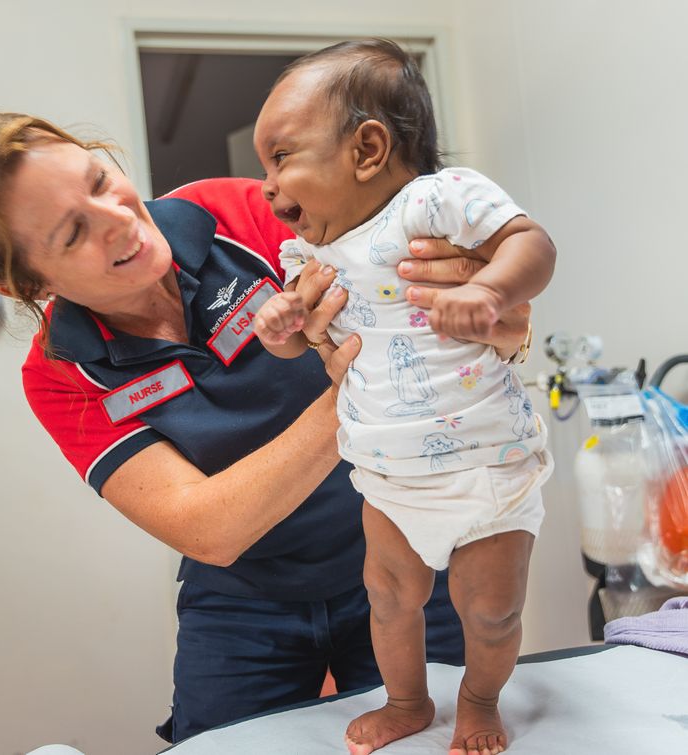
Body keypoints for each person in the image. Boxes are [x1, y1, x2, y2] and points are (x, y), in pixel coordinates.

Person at [0, 109, 532, 744]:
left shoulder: (237, 214)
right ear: (27, 282)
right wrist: (357, 392)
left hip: (406, 543)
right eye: (74, 233)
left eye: (100, 181)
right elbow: (208, 530)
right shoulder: (62, 374)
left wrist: (499, 331)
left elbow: (432, 297)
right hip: (248, 592)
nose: (121, 221)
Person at [252, 40, 555, 755]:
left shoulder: (436, 201)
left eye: (282, 156)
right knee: (387, 599)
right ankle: (409, 701)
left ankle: (479, 698)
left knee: (490, 611)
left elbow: (532, 243)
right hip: (388, 478)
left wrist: (488, 289)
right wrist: (281, 328)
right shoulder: (309, 252)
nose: (266, 185)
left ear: (367, 148)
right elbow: (302, 338)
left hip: (489, 465)